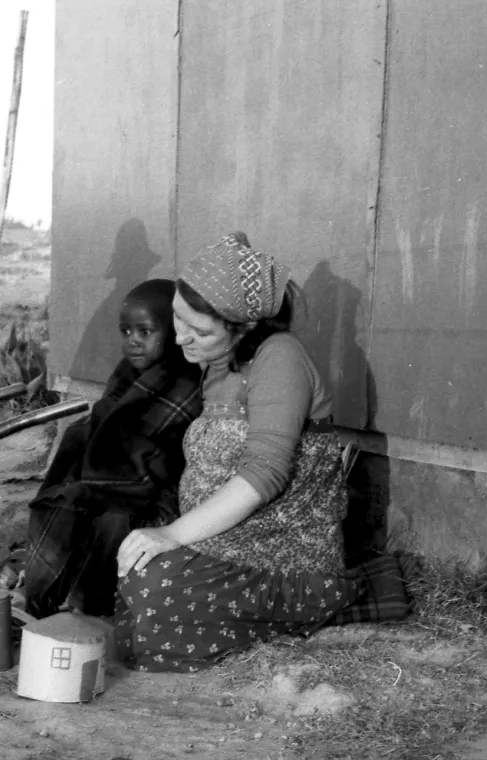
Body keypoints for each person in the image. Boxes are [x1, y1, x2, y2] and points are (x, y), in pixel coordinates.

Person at [114, 232, 408, 672]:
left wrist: (172, 535)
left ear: (244, 328)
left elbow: (263, 475)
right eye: (177, 318)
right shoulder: (218, 363)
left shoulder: (279, 358)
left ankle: (322, 603)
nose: (180, 339)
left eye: (199, 331)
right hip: (226, 541)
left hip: (281, 558)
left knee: (154, 590)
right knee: (128, 565)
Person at [22, 279, 202, 619]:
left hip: (157, 494)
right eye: (126, 331)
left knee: (113, 522)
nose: (133, 341)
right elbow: (105, 426)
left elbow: (167, 453)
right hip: (110, 479)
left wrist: (109, 473)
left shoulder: (186, 380)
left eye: (145, 331)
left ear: (175, 330)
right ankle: (45, 599)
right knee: (59, 505)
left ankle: (96, 610)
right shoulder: (126, 373)